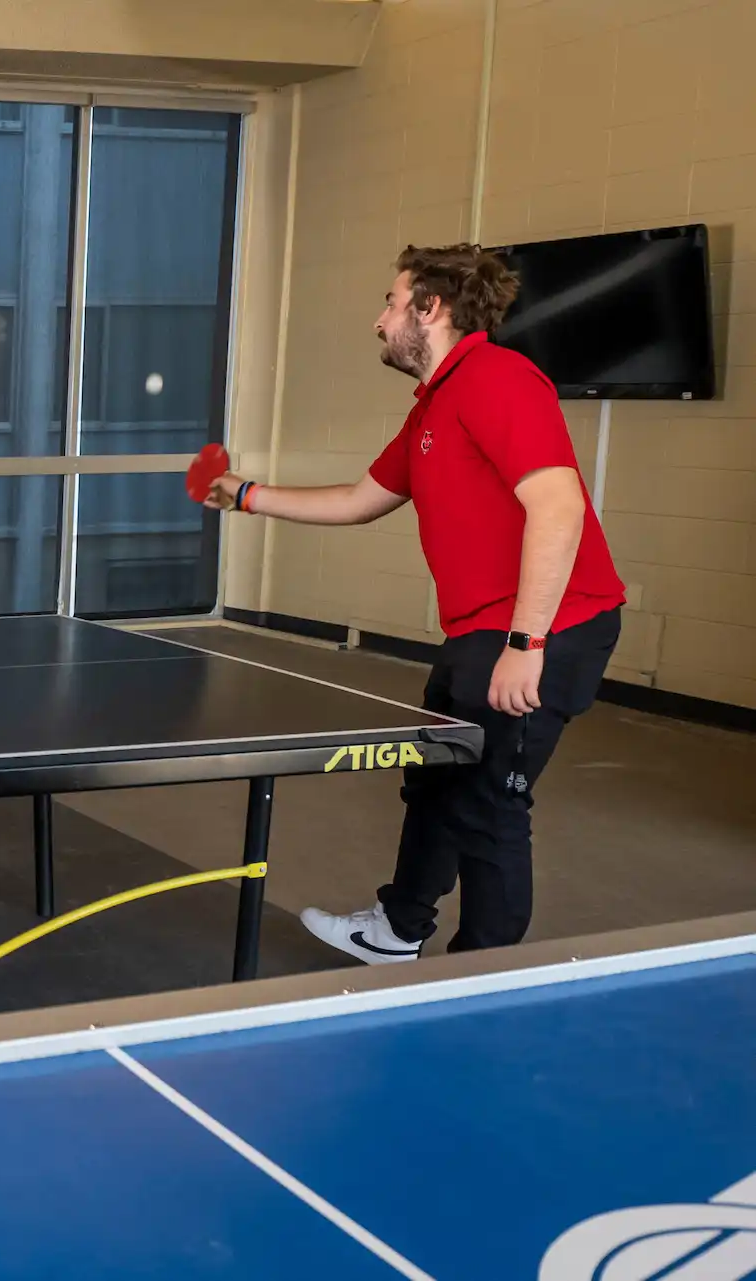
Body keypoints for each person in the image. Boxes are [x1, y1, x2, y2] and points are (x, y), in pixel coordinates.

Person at [205, 243, 623, 963]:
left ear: (431, 308)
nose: (379, 320)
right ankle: (396, 928)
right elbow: (359, 499)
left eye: (391, 303)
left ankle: (480, 974)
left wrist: (526, 646)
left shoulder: (498, 377)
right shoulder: (438, 398)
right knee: (434, 778)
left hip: (547, 626)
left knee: (490, 803)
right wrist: (245, 494)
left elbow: (556, 507)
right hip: (481, 630)